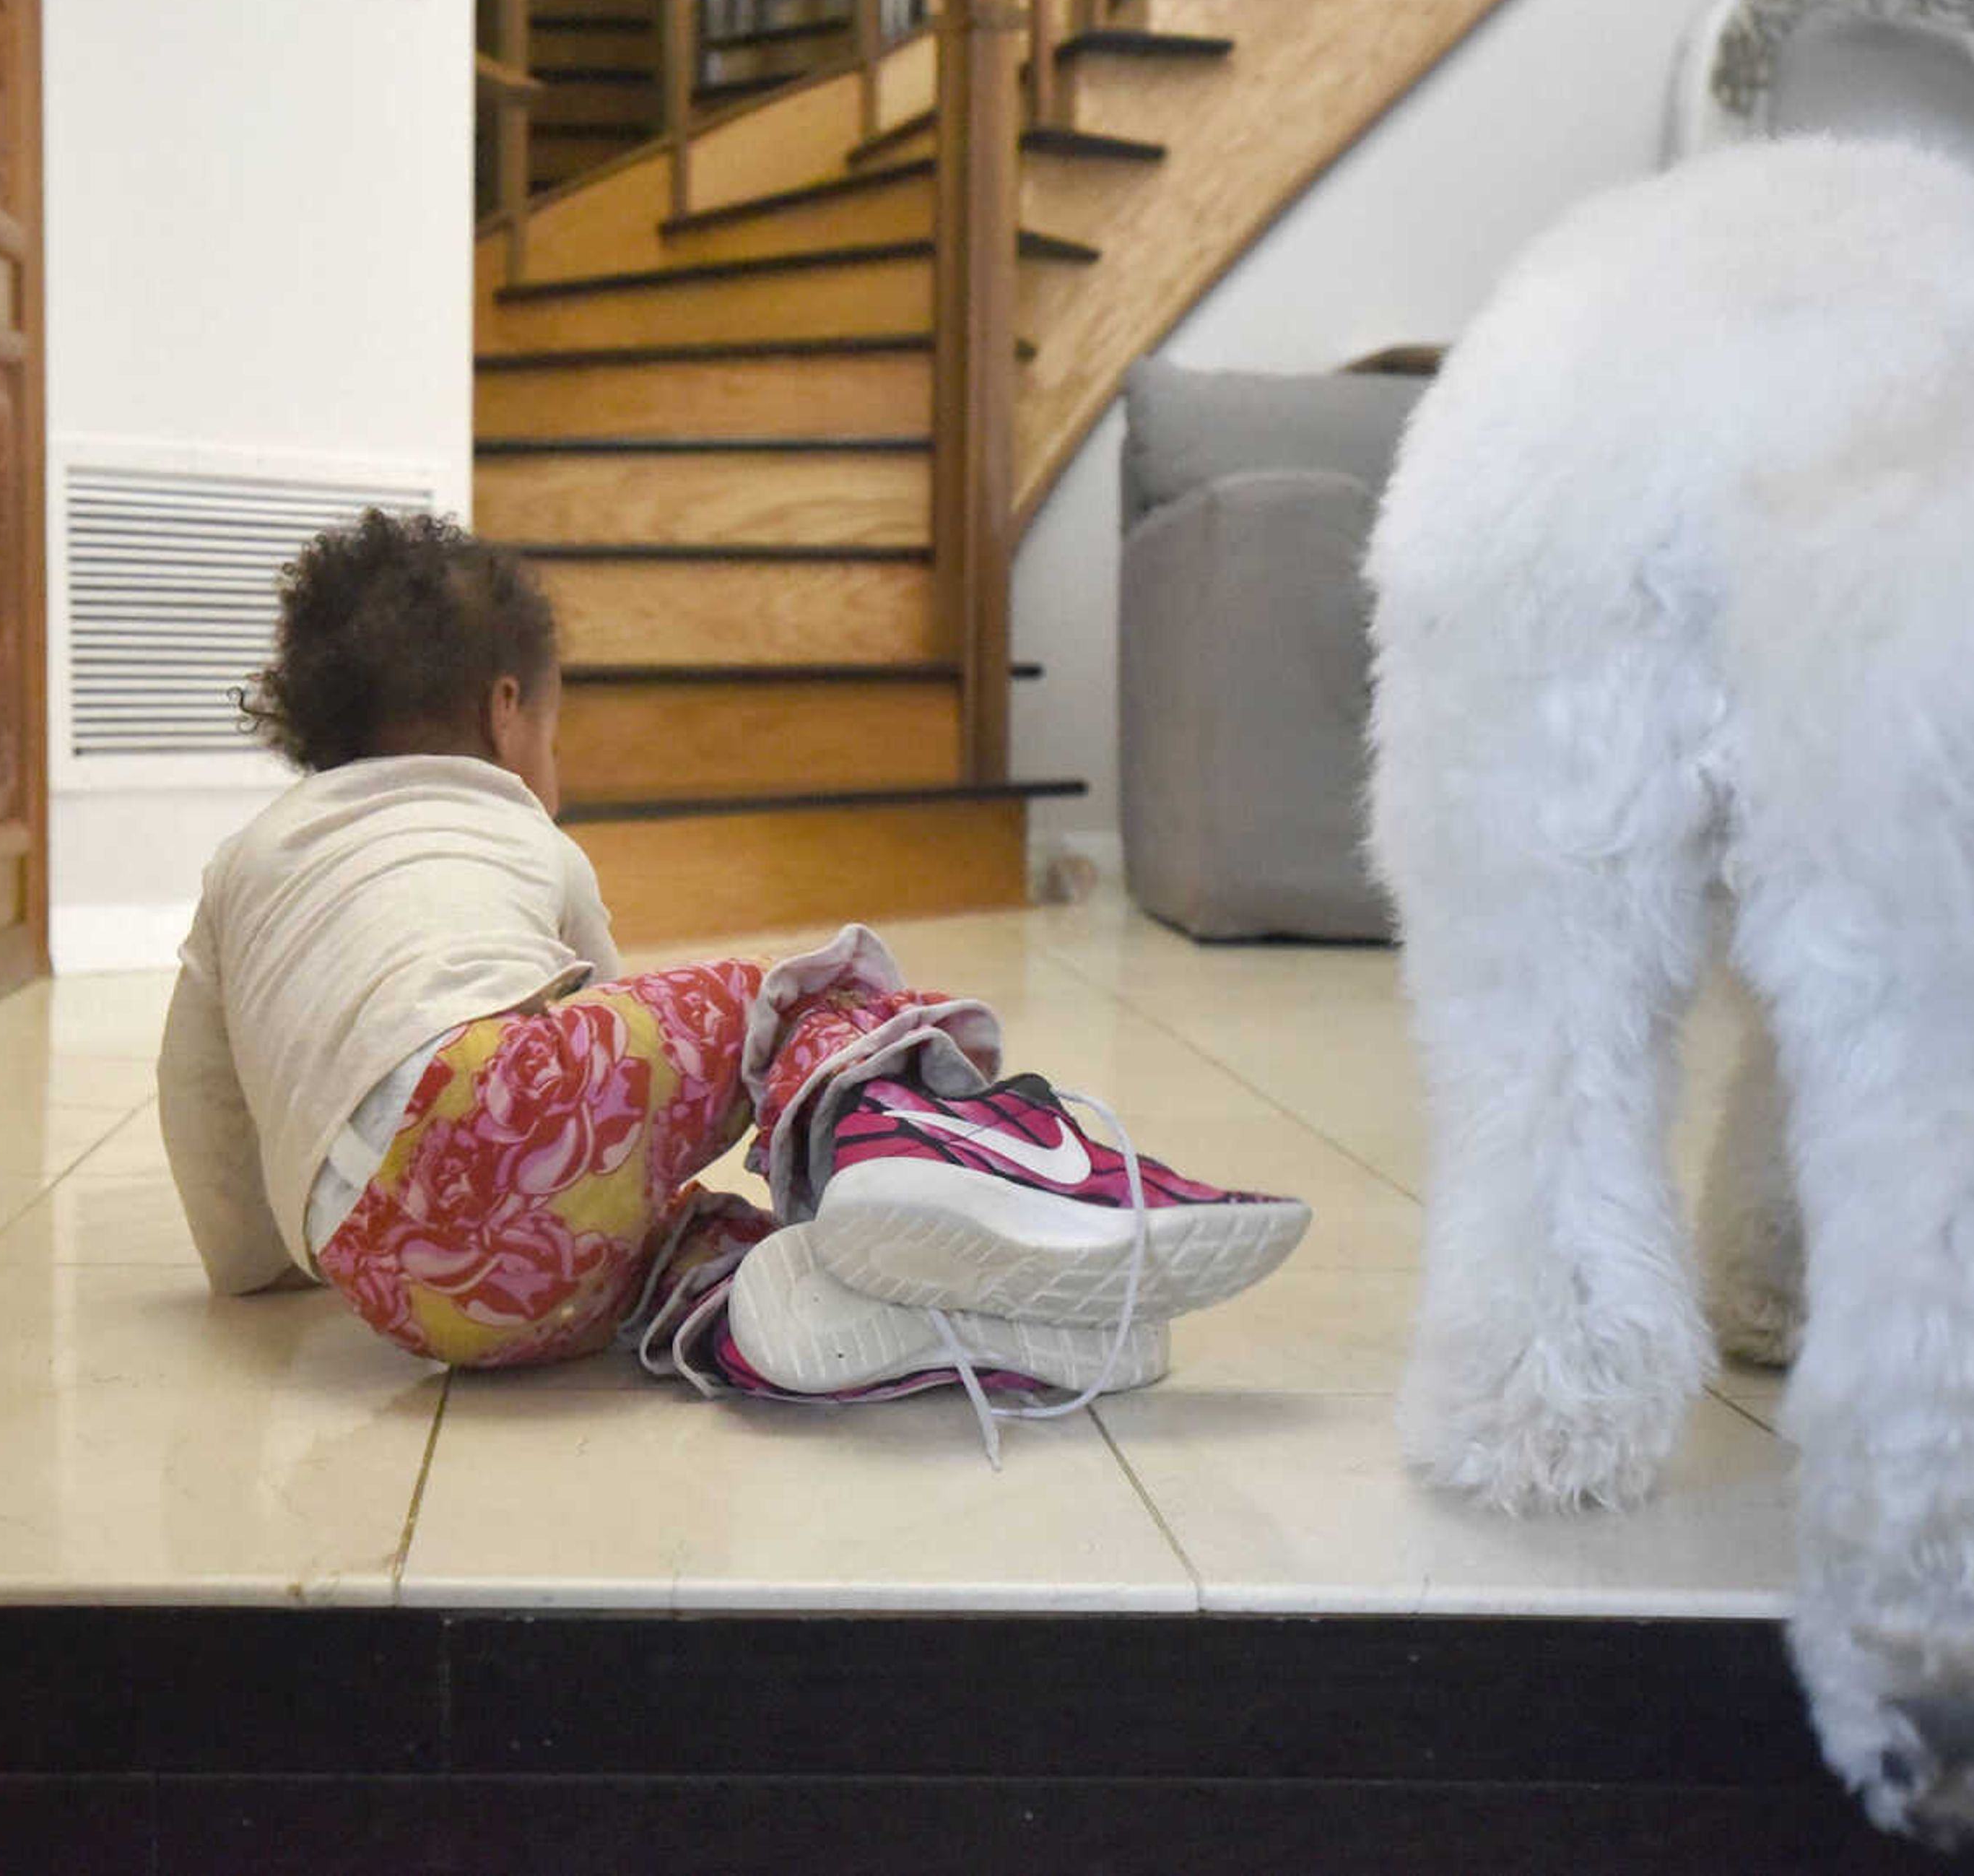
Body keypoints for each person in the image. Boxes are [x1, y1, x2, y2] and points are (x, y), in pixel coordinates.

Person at [157, 510, 1308, 1458]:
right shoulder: (521, 831)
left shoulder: (249, 860)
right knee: (799, 1002)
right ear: (507, 714)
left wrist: (249, 1266)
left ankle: (812, 1308)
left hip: (406, 1291)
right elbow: (598, 1040)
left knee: (676, 1242)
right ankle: (936, 1157)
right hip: (496, 1113)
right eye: (558, 721)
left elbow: (200, 1098)